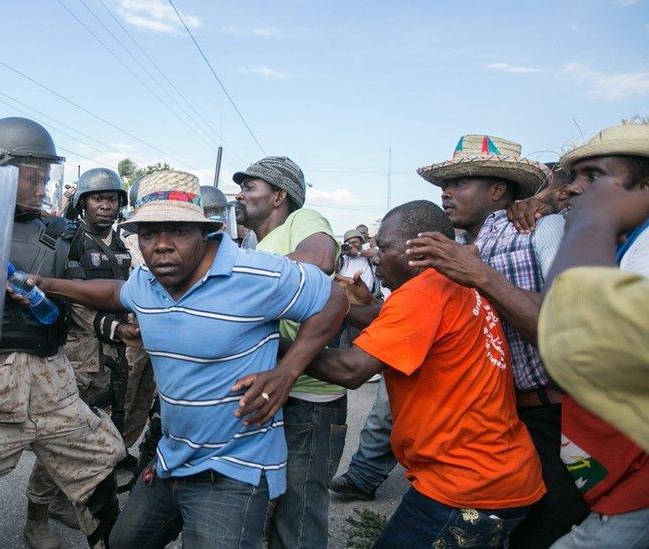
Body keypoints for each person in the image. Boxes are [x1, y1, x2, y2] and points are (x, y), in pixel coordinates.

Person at [25, 170, 347, 548]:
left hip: (234, 474)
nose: (160, 245)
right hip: (171, 461)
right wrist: (48, 285)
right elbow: (116, 293)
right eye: (148, 234)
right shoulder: (148, 281)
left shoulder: (253, 274)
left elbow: (334, 301)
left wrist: (287, 372)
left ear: (204, 232)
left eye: (177, 230)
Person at [238, 200, 546, 548]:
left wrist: (270, 344)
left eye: (384, 248)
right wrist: (361, 307)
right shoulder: (452, 283)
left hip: (466, 486)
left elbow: (352, 369)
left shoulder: (420, 294)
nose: (376, 257)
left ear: (420, 247)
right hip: (503, 473)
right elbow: (402, 325)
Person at [0, 117, 125, 549]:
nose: (42, 184)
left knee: (99, 459)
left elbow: (86, 299)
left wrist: (117, 326)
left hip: (52, 379)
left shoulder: (64, 236)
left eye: (46, 174)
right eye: (32, 174)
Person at [407, 134, 587, 547]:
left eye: (459, 183)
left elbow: (566, 329)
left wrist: (479, 275)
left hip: (561, 419)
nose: (446, 194)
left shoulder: (540, 228)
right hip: (509, 420)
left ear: (498, 190)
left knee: (550, 534)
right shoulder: (467, 245)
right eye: (443, 186)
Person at [538, 123, 649, 548]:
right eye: (574, 177)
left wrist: (594, 221)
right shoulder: (625, 245)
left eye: (595, 177)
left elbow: (573, 345)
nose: (572, 190)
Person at [233, 156, 344, 548]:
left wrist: (234, 278)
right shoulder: (251, 241)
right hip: (269, 389)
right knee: (267, 502)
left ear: (279, 195)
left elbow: (320, 259)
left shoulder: (303, 220)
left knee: (298, 516)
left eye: (250, 187)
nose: (240, 194)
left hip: (308, 401)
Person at [27, 167, 138, 535]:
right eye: (97, 198)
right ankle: (36, 521)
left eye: (112, 198)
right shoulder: (70, 240)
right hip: (77, 355)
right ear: (82, 203)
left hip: (111, 356)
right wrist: (116, 329)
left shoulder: (121, 246)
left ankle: (65, 503)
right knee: (60, 439)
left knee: (92, 438)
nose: (106, 205)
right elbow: (70, 298)